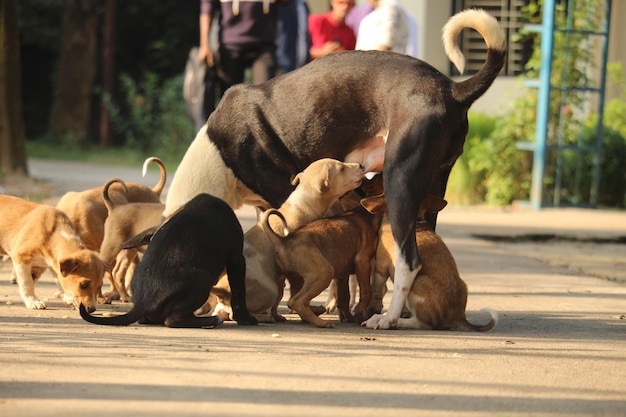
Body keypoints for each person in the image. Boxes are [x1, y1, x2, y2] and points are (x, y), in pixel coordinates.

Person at [198, 0, 289, 101]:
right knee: (230, 101)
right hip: (230, 47)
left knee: (264, 98)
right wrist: (204, 45)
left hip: (264, 46)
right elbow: (207, 7)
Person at [276, 0, 310, 74]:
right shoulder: (283, 3)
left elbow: (304, 36)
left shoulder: (303, 5)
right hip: (281, 65)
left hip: (300, 64)